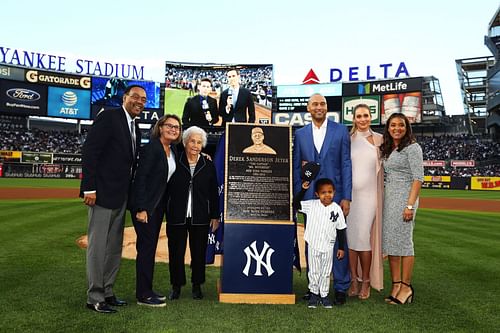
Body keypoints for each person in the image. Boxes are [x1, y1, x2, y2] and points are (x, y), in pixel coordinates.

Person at [80, 85, 145, 313]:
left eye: (143, 99)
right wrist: (88, 188)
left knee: (113, 247)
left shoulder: (134, 126)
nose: (140, 102)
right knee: (97, 247)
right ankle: (94, 297)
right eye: (135, 97)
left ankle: (107, 292)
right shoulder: (110, 116)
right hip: (101, 194)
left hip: (121, 195)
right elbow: (90, 151)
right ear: (124, 97)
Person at [292, 93, 352, 306]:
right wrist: (298, 196)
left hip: (334, 197)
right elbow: (296, 166)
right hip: (311, 198)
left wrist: (346, 196)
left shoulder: (340, 130)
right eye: (315, 104)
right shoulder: (300, 134)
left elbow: (346, 163)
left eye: (323, 104)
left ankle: (341, 286)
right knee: (312, 240)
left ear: (327, 107)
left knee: (337, 240)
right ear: (308, 108)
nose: (319, 107)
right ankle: (314, 286)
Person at [129, 115, 182, 307]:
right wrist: (142, 209)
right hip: (146, 207)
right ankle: (143, 295)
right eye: (169, 126)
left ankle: (146, 290)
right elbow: (140, 179)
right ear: (160, 128)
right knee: (145, 249)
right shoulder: (152, 148)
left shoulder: (173, 150)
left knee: (149, 249)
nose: (173, 130)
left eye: (176, 127)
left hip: (157, 207)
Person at [165, 126, 220, 300]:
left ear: (203, 145)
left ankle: (197, 285)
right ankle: (176, 286)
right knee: (176, 253)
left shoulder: (208, 164)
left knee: (198, 253)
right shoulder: (175, 161)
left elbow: (213, 192)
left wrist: (215, 215)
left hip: (201, 217)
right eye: (192, 141)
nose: (195, 145)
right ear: (185, 142)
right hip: (177, 216)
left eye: (199, 142)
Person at [380, 112, 423, 305]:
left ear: (407, 128)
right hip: (390, 199)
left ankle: (406, 287)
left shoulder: (413, 148)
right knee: (391, 244)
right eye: (393, 125)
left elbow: (418, 178)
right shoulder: (389, 147)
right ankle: (396, 284)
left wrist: (409, 205)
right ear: (388, 128)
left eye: (401, 125)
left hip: (405, 199)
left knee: (404, 243)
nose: (397, 128)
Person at [346, 104, 384, 300]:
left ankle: (367, 280)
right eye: (359, 116)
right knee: (352, 239)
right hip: (351, 198)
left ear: (371, 117)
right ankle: (354, 279)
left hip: (370, 198)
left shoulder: (379, 140)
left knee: (363, 237)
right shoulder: (348, 140)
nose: (363, 119)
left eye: (366, 115)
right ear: (354, 119)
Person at [294, 178, 346, 309]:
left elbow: (341, 229)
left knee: (326, 271)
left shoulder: (337, 209)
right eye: (323, 192)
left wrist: (341, 248)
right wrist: (304, 189)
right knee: (314, 271)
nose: (327, 195)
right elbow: (295, 204)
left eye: (330, 192)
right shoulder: (311, 205)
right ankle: (313, 294)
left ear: (334, 192)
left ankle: (324, 295)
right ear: (317, 194)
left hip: (329, 245)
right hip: (313, 244)